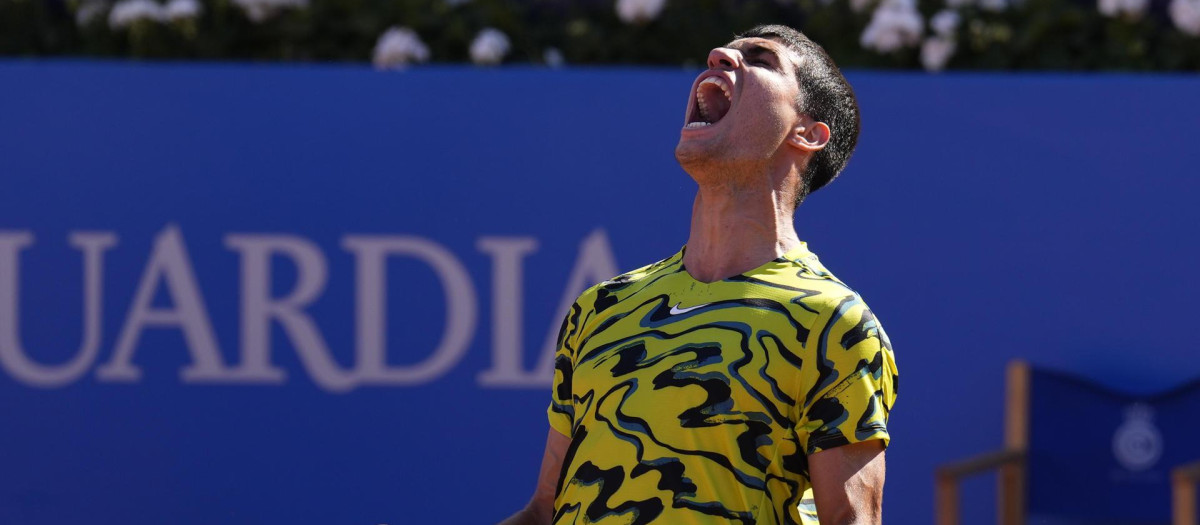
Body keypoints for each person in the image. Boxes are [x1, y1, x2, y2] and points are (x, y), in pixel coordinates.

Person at [501, 24, 898, 525]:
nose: (719, 56)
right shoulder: (600, 307)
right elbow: (544, 511)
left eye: (761, 59)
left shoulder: (833, 322)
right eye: (723, 51)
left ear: (807, 132)